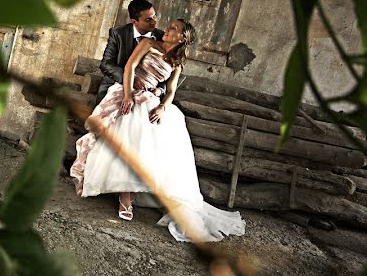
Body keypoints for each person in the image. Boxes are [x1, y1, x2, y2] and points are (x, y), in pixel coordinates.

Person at [70, 18, 245, 242]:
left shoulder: (176, 64)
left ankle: (129, 197)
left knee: (146, 143)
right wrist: (127, 95)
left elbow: (170, 91)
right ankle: (122, 195)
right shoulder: (148, 44)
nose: (167, 28)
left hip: (151, 100)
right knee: (128, 134)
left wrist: (163, 106)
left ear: (182, 38)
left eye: (174, 28)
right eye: (169, 26)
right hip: (128, 92)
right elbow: (130, 67)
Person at [96, 0, 165, 107]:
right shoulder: (118, 33)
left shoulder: (162, 37)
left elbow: (169, 67)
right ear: (134, 21)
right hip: (118, 82)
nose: (154, 22)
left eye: (154, 16)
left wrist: (161, 90)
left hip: (148, 91)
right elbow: (106, 64)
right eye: (148, 19)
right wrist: (130, 78)